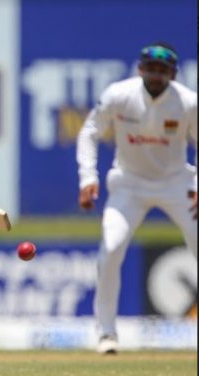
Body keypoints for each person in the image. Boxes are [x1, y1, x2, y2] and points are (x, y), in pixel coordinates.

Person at [76, 43, 197, 354]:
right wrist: (88, 178)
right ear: (140, 69)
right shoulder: (119, 95)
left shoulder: (187, 103)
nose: (156, 75)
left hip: (177, 184)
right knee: (111, 249)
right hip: (128, 184)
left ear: (173, 74)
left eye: (163, 70)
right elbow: (90, 131)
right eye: (151, 68)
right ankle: (106, 334)